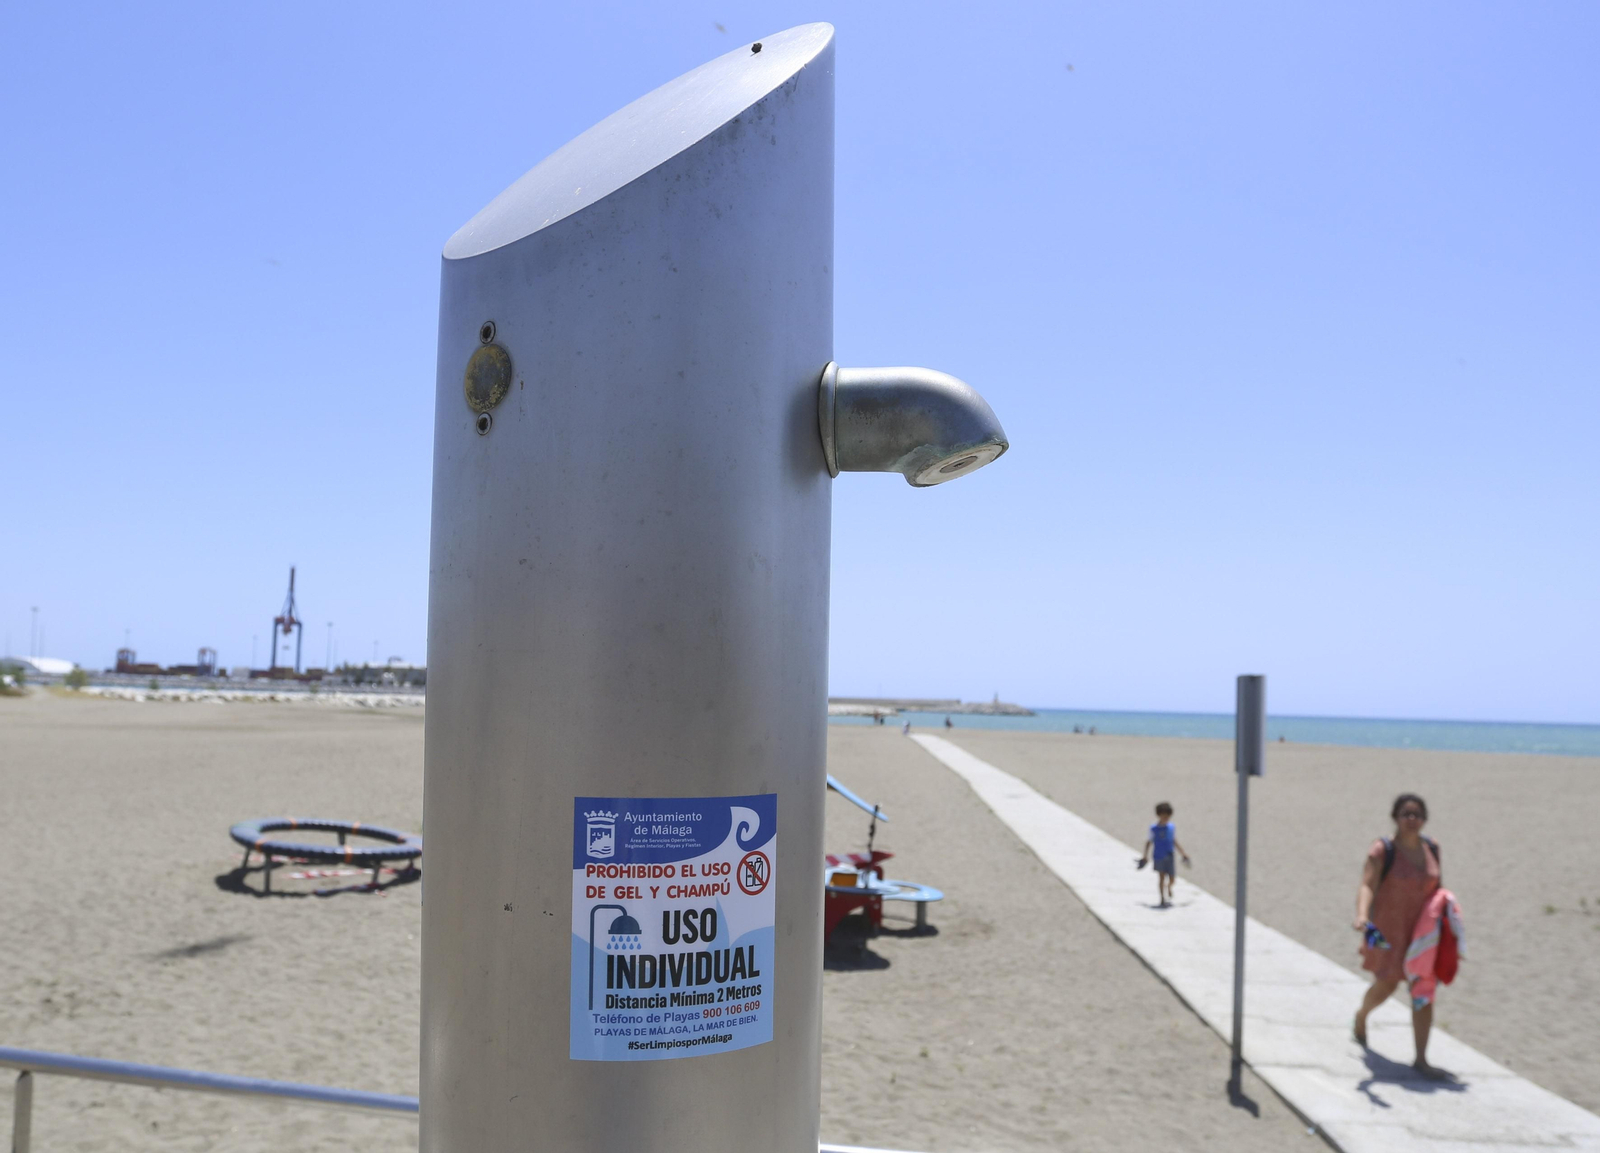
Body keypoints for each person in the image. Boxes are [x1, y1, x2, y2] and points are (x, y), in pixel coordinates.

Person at [1352, 793, 1445, 1077]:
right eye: (1406, 814)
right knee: (1386, 984)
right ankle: (1361, 1016)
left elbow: (1438, 889)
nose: (1412, 819)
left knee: (1423, 992)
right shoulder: (1383, 849)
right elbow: (1367, 884)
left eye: (1417, 814)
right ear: (1395, 818)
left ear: (1425, 819)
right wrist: (1362, 915)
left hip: (1423, 934)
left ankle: (1421, 1059)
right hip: (1384, 928)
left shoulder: (1432, 847)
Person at [1136, 802, 1190, 907]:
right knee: (1161, 878)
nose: (1166, 818)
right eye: (1164, 816)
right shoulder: (1154, 828)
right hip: (1159, 856)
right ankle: (1162, 898)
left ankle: (1169, 887)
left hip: (1170, 855)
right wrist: (1145, 855)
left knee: (1172, 878)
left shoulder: (1171, 827)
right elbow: (1149, 842)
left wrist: (1183, 853)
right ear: (1159, 815)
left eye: (1168, 816)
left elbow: (1174, 841)